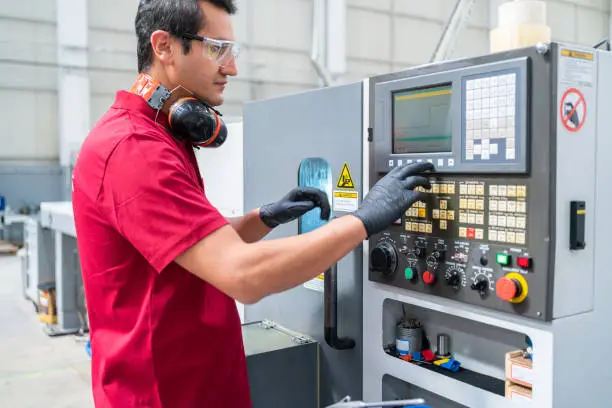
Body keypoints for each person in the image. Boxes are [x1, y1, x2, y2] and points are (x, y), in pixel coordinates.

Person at [71, 0, 435, 407]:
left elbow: (190, 248)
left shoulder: (160, 139)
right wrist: (364, 220)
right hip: (164, 394)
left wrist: (262, 219)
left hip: (200, 386)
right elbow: (243, 277)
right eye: (216, 49)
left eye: (233, 51)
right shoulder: (133, 149)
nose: (232, 68)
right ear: (164, 47)